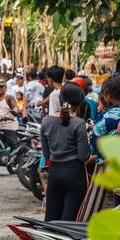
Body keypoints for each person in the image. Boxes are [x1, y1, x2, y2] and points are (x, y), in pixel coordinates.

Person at [40, 83, 91, 221]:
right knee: (69, 220)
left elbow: (46, 154)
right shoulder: (79, 124)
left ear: (60, 99)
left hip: (54, 173)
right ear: (78, 104)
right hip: (74, 174)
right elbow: (83, 156)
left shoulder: (46, 121)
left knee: (51, 219)